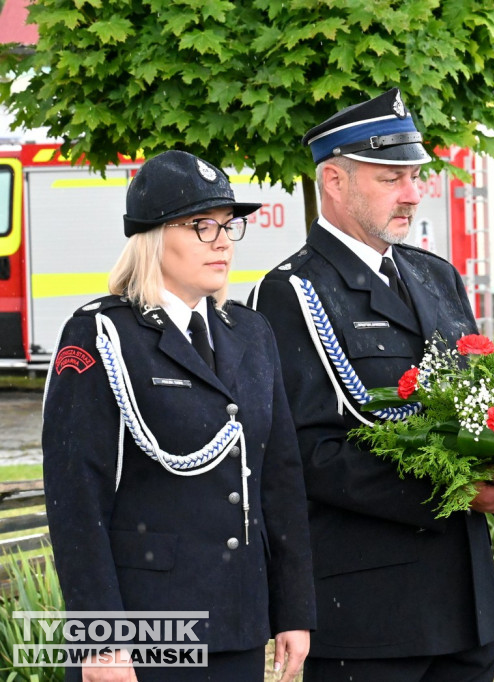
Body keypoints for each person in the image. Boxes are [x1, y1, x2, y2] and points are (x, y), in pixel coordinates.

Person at [250, 88, 494, 682]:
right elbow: (307, 451)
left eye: (414, 175)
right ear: (333, 180)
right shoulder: (292, 290)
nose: (411, 193)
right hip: (368, 614)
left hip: (465, 605)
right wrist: (453, 494)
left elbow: (479, 410)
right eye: (390, 177)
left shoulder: (437, 275)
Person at [42, 150, 315, 681]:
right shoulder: (103, 335)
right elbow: (76, 495)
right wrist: (99, 636)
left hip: (236, 619)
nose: (221, 241)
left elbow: (280, 479)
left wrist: (294, 610)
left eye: (227, 226)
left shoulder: (251, 334)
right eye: (200, 226)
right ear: (151, 238)